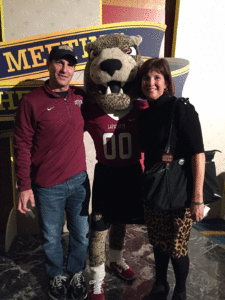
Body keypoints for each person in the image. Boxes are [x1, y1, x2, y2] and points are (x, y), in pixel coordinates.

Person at [13, 45, 90, 300]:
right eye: (59, 63)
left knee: (81, 233)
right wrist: (24, 186)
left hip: (80, 181)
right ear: (49, 65)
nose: (65, 69)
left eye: (70, 65)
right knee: (50, 237)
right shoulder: (31, 102)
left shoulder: (80, 97)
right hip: (48, 187)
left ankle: (77, 271)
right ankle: (56, 274)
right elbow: (21, 144)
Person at [138, 58, 205, 300]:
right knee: (158, 242)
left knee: (177, 249)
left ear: (167, 82)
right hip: (156, 190)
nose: (151, 83)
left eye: (157, 77)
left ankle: (180, 290)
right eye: (146, 78)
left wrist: (197, 200)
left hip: (180, 193)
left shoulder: (182, 109)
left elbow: (198, 153)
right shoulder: (145, 115)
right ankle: (160, 284)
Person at [84, 97, 148, 300]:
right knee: (99, 228)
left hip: (131, 173)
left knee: (121, 220)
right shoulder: (91, 109)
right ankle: (96, 278)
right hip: (106, 174)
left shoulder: (140, 107)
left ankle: (115, 259)